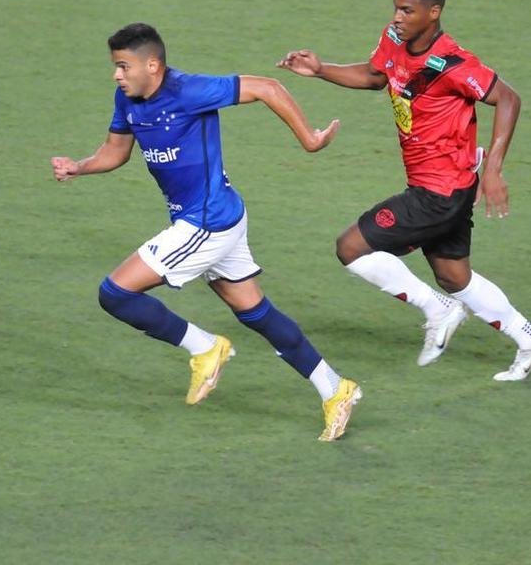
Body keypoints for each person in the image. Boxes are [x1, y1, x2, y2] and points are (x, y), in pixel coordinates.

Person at [51, 22, 362, 440]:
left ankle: (204, 347)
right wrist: (79, 166)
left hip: (207, 223)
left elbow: (267, 87)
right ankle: (335, 389)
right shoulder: (127, 99)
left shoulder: (188, 91)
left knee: (115, 294)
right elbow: (115, 151)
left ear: (153, 65)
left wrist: (309, 140)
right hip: (216, 218)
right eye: (116, 67)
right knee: (256, 313)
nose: (117, 75)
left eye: (124, 66)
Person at [277, 0, 531, 381]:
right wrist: (321, 70)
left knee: (351, 247)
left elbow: (508, 99)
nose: (397, 16)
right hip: (446, 184)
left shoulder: (455, 63)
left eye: (407, 10)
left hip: (439, 191)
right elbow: (377, 77)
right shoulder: (394, 40)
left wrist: (495, 167)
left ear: (433, 12)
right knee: (453, 275)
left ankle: (437, 310)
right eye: (395, 7)